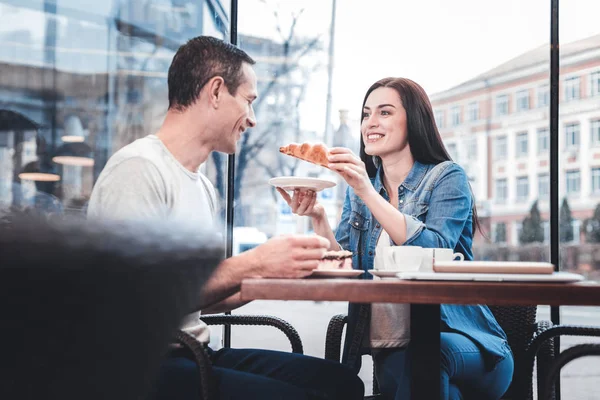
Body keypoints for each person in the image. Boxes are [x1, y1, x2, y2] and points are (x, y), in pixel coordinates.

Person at [87, 36, 364, 400]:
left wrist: (274, 271)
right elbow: (137, 300)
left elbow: (202, 296)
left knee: (342, 384)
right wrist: (253, 262)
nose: (252, 119)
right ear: (216, 91)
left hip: (194, 353)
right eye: (249, 101)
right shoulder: (139, 169)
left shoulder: (202, 187)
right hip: (143, 367)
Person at [278, 77, 514, 400]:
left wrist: (364, 189)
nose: (370, 123)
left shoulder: (446, 177)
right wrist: (318, 218)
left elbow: (433, 252)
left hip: (470, 348)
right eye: (366, 114)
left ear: (413, 121)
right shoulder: (360, 190)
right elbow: (349, 270)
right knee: (434, 385)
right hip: (396, 352)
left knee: (428, 358)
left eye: (384, 113)